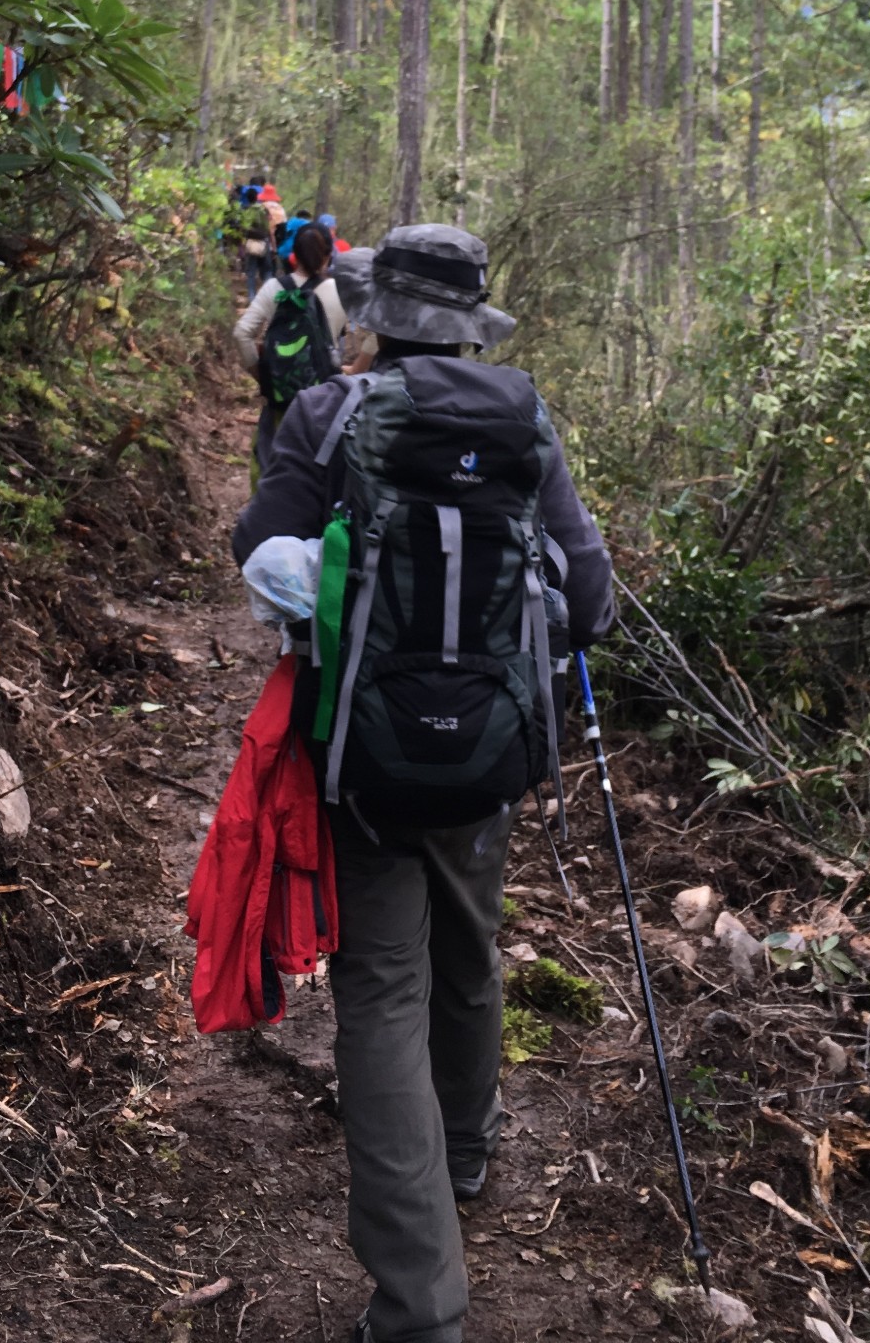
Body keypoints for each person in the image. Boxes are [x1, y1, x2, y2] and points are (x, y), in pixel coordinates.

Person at [232, 224, 615, 1343]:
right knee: (471, 942)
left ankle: (420, 1308)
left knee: (382, 989)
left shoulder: (328, 414)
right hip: (490, 753)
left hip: (362, 757)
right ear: (474, 321)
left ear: (376, 311)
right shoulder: (523, 423)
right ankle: (470, 1149)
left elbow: (261, 546)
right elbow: (589, 604)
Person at [234, 220, 344, 479]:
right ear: (328, 255)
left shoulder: (274, 287)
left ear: (294, 253)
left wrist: (261, 375)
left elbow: (241, 333)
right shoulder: (339, 292)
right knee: (319, 468)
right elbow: (370, 339)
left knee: (270, 462)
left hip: (282, 397)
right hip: (325, 399)